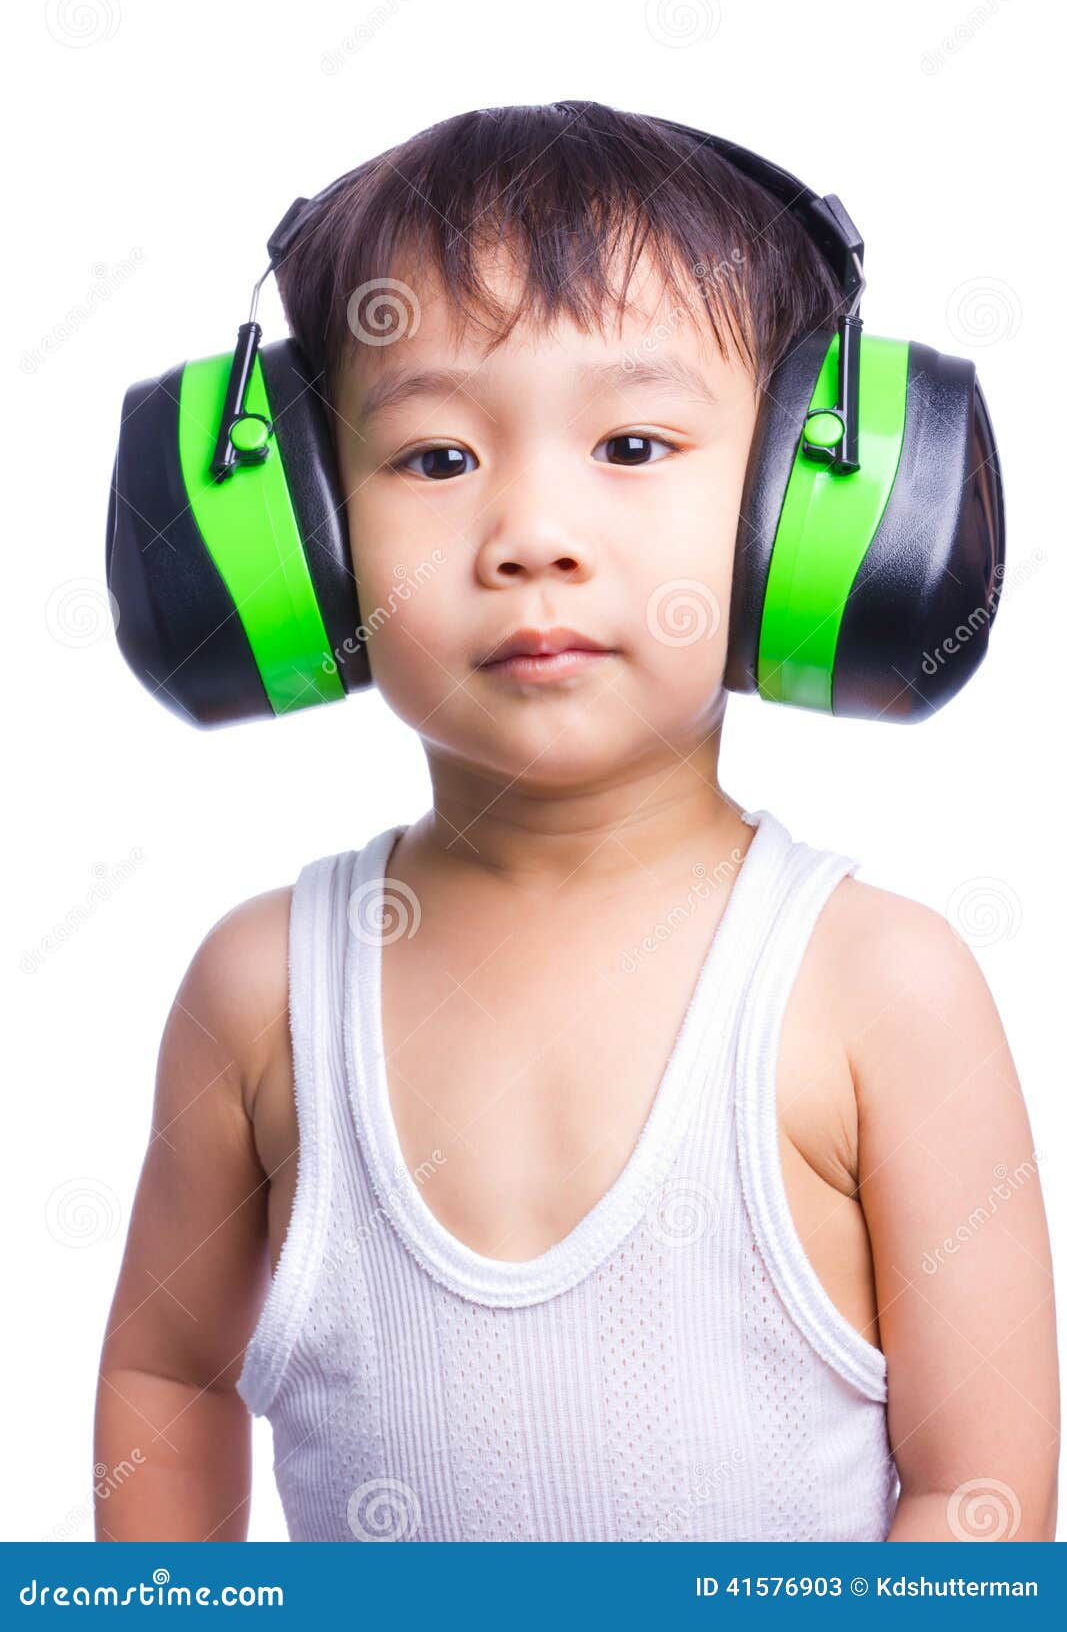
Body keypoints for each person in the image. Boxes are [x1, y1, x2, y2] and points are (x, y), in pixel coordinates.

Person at [94, 101, 1058, 1542]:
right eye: (434, 458)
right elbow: (165, 1369)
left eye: (632, 441)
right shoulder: (257, 997)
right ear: (300, 535)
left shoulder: (879, 990)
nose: (530, 530)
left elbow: (982, 1490)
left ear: (807, 504)